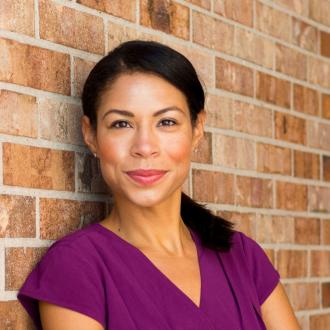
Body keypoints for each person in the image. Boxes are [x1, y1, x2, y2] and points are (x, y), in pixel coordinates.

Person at [17, 40, 300, 330]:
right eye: (121, 124)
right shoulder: (75, 267)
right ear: (90, 135)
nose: (145, 147)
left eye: (166, 122)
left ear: (197, 128)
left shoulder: (242, 256)